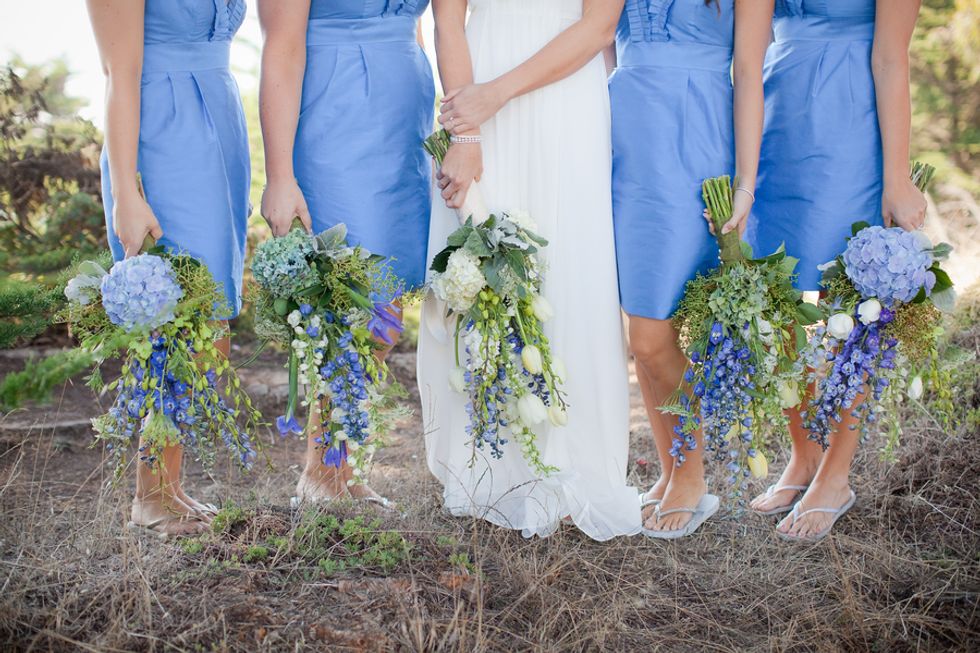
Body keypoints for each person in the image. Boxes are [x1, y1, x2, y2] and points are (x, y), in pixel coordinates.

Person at [419, 0, 641, 540]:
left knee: (567, 268)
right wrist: (467, 133)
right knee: (484, 266)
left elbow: (599, 25)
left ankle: (572, 462)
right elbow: (447, 18)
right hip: (475, 81)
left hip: (563, 97)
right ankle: (490, 467)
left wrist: (494, 96)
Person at [745, 0, 925, 542]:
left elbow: (893, 59)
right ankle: (804, 457)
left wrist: (897, 176)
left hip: (851, 122)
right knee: (780, 302)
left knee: (854, 304)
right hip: (779, 119)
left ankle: (836, 476)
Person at [257, 0, 435, 505]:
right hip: (337, 112)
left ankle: (344, 468)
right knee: (351, 305)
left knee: (387, 310)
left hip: (405, 123)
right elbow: (282, 46)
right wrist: (280, 175)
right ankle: (322, 474)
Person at [87, 0, 250, 535]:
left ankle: (169, 485)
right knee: (176, 317)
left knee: (211, 318)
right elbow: (119, 73)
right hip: (161, 133)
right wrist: (126, 192)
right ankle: (150, 493)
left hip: (218, 126)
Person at [611, 0, 773, 538]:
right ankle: (670, 469)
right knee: (641, 330)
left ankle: (692, 475)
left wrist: (745, 184)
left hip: (694, 137)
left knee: (656, 330)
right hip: (624, 137)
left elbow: (750, 71)